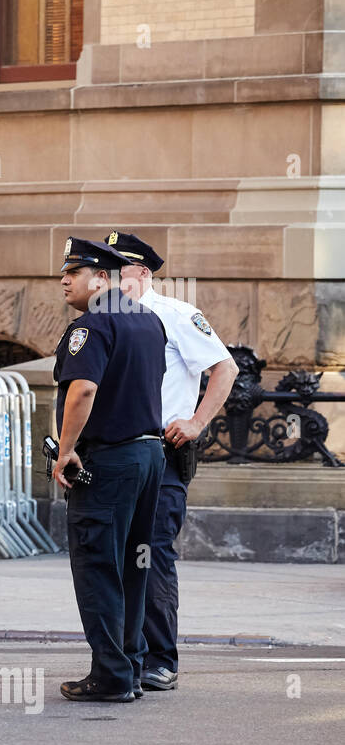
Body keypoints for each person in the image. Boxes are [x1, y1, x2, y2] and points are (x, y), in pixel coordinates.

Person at [108, 231, 238, 692]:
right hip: (115, 456)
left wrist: (198, 421)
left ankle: (160, 659)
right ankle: (123, 655)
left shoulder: (177, 315)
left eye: (119, 271)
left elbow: (225, 367)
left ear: (143, 273)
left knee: (153, 553)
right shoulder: (103, 320)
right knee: (117, 554)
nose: (110, 279)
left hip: (162, 454)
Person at [51, 237, 167, 702]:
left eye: (73, 273)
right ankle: (132, 666)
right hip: (148, 457)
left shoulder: (93, 325)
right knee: (134, 566)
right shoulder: (149, 321)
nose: (64, 280)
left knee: (98, 565)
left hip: (108, 461)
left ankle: (111, 676)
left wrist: (65, 450)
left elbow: (82, 391)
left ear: (102, 279)